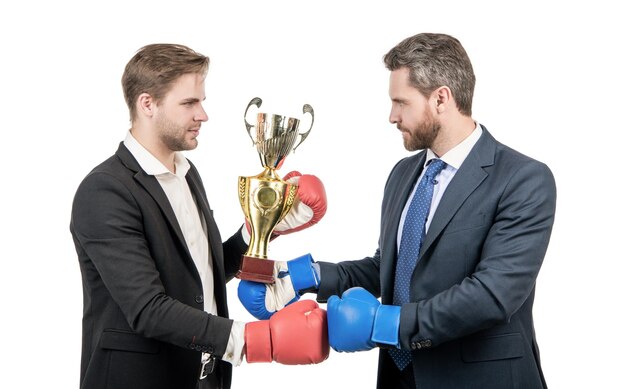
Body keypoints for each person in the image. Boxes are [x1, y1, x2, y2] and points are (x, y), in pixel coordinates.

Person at [238, 33, 557, 389]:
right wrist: (308, 276)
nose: (392, 116)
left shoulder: (522, 178)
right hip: (399, 377)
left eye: (401, 102)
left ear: (441, 98)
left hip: (481, 378)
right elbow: (391, 267)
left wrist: (387, 324)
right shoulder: (404, 174)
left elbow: (493, 294)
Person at [70, 43, 329, 389]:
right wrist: (252, 340)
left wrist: (260, 230)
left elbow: (199, 276)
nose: (203, 114)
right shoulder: (105, 191)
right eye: (189, 103)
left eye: (201, 101)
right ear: (148, 104)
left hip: (207, 378)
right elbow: (148, 308)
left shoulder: (187, 173)